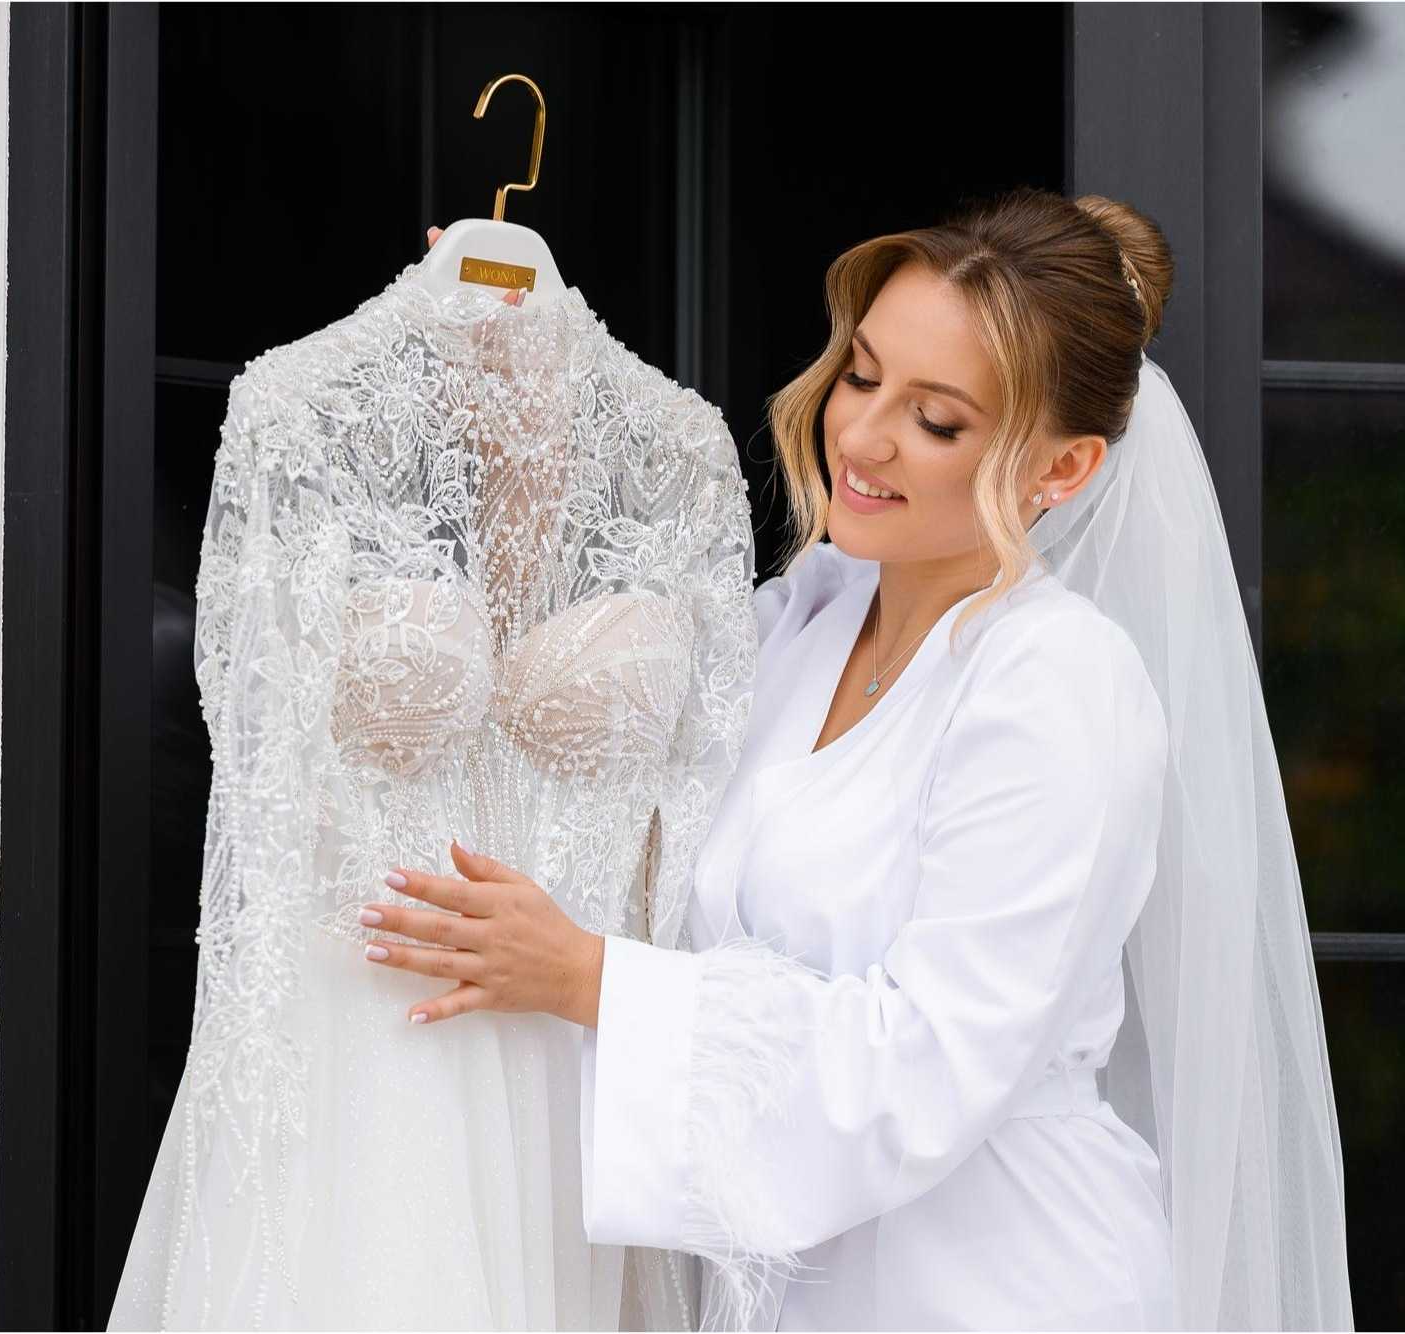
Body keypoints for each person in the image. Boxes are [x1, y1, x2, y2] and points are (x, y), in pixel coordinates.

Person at [363, 187, 1354, 1330]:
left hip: (998, 1283)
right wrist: (514, 405)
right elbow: (558, 728)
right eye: (861, 373)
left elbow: (922, 1057)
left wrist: (592, 979)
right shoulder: (801, 622)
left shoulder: (1057, 687)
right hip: (807, 1281)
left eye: (937, 421)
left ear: (1065, 468)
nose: (863, 436)